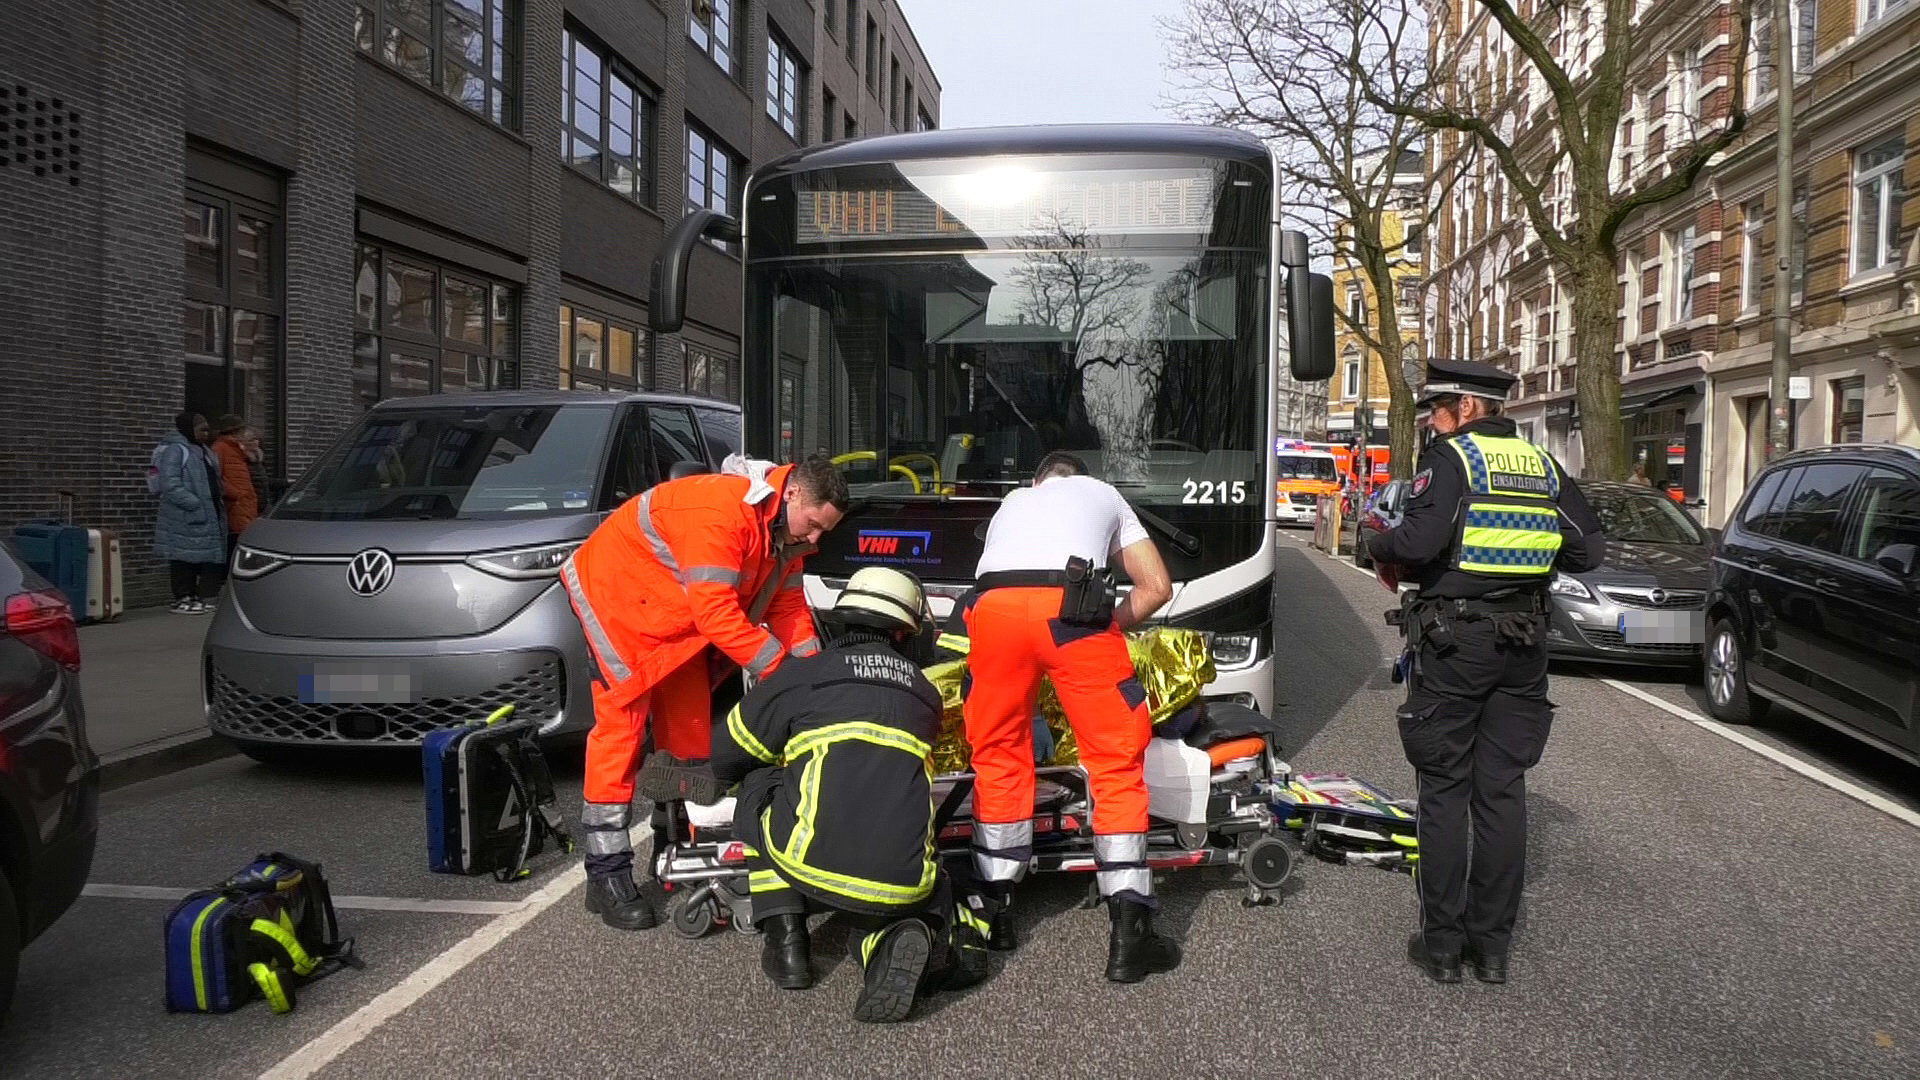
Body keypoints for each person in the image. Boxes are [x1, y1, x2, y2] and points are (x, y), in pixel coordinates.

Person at [1359, 358, 1605, 986]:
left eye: (1437, 412)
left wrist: (1376, 540)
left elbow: (1415, 544)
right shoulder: (1545, 467)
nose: (1432, 426)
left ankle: (1442, 944)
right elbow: (1587, 550)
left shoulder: (1454, 461)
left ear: (1466, 408)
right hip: (1525, 643)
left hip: (1456, 641)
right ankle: (1491, 948)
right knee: (1502, 791)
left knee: (1444, 789)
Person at [561, 453, 848, 931]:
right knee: (621, 735)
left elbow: (789, 607)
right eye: (814, 525)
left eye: (824, 532)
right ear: (793, 493)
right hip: (619, 606)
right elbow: (717, 615)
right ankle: (606, 875)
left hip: (674, 620)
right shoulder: (720, 513)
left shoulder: (785, 528)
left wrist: (813, 674)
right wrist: (783, 673)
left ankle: (676, 847)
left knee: (690, 738)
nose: (816, 538)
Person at [708, 566, 990, 1022]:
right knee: (888, 804)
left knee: (759, 781)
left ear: (841, 620)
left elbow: (727, 756)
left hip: (807, 861)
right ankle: (883, 941)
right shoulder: (925, 694)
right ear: (905, 632)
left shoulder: (804, 675)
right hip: (907, 878)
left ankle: (786, 940)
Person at [960, 451, 1179, 984]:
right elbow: (1157, 588)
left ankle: (995, 911)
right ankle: (1130, 933)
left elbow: (989, 582)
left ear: (1038, 481)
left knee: (999, 755)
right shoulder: (1104, 494)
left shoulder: (1012, 502)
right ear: (1080, 477)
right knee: (1114, 762)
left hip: (992, 612)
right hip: (1074, 610)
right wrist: (1109, 626)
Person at [153, 411, 228, 614]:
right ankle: (183, 596)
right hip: (185, 515)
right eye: (201, 429)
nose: (206, 433)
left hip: (209, 511)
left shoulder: (205, 451)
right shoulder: (176, 450)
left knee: (206, 556)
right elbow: (169, 482)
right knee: (183, 557)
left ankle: (199, 596)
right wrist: (193, 503)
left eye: (207, 429)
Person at [211, 415, 262, 563]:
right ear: (235, 431)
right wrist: (236, 494)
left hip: (244, 504)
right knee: (238, 543)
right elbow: (216, 477)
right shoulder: (221, 448)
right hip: (236, 505)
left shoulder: (237, 450)